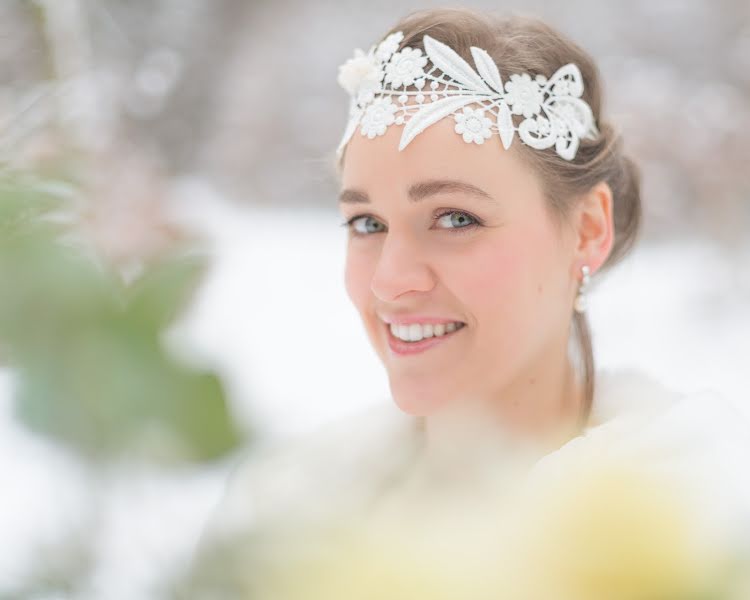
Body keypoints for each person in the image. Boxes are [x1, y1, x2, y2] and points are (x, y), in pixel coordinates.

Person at [187, 8, 750, 599]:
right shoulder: (279, 519)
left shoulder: (694, 514)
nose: (390, 281)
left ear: (586, 230)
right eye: (367, 223)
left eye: (455, 218)